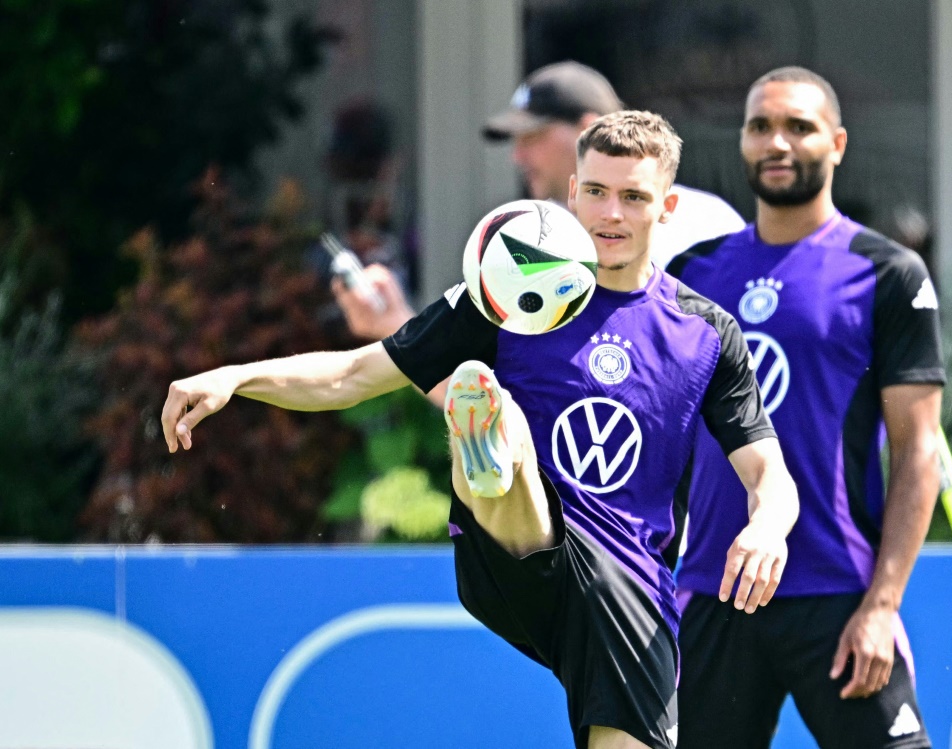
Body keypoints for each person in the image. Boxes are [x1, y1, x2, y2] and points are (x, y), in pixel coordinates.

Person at [162, 110, 799, 749]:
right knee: (501, 415)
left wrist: (768, 525)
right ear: (572, 193)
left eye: (633, 197)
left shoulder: (707, 333)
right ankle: (489, 438)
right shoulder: (506, 289)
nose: (611, 214)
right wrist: (238, 377)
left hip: (626, 583)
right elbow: (354, 374)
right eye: (598, 192)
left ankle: (491, 436)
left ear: (666, 206)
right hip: (513, 549)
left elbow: (767, 470)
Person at [667, 67, 945, 749]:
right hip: (713, 591)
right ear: (742, 142)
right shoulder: (689, 275)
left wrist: (882, 605)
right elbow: (662, 435)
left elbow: (919, 451)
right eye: (761, 126)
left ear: (838, 143)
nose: (777, 142)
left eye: (799, 126)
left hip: (837, 593)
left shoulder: (887, 272)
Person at [334, 61, 746, 344]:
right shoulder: (539, 244)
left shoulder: (704, 224)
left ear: (589, 130)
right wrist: (396, 326)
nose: (517, 157)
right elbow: (496, 400)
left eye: (531, 137)